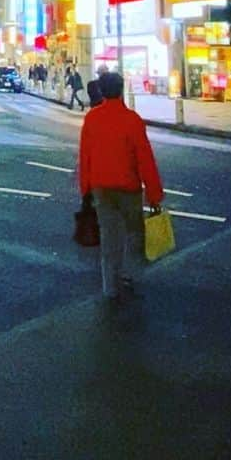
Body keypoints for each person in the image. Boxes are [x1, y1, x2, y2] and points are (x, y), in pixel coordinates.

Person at [79, 71, 164, 307]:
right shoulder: (132, 120)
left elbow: (85, 156)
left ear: (101, 91)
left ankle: (110, 287)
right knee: (133, 233)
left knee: (108, 236)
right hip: (129, 187)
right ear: (121, 88)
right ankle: (129, 273)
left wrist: (85, 188)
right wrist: (155, 194)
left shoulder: (92, 118)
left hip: (101, 187)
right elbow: (145, 159)